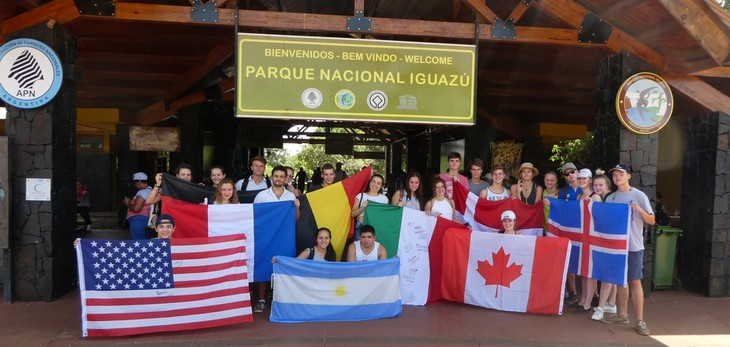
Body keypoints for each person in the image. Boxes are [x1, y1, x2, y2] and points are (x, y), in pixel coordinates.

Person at [601, 164, 654, 337]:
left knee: (635, 281)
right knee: (620, 281)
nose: (617, 177)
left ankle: (640, 320)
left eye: (620, 174)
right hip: (616, 246)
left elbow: (652, 220)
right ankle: (622, 315)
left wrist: (638, 209)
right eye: (615, 174)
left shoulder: (639, 195)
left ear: (628, 176)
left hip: (634, 246)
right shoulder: (611, 198)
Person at [252, 165, 301, 314]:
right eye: (276, 176)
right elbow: (254, 216)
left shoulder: (290, 196)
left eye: (281, 176)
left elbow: (296, 219)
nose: (278, 179)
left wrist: (297, 207)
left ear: (285, 178)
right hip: (265, 236)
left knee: (284, 265)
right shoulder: (262, 195)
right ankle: (261, 299)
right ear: (272, 177)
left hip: (284, 237)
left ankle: (280, 299)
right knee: (263, 264)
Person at [573, 168, 602, 315]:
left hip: (592, 238)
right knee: (583, 270)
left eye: (584, 179)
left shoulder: (595, 197)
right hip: (582, 237)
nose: (582, 181)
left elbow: (599, 218)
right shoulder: (579, 197)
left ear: (590, 180)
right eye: (580, 179)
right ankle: (582, 299)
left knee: (590, 270)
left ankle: (587, 302)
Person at [591, 169, 618, 321]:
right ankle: (612, 303)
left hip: (610, 238)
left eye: (601, 185)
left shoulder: (607, 198)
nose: (598, 187)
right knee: (611, 273)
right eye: (595, 185)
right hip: (609, 237)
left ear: (607, 185)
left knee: (608, 273)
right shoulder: (604, 197)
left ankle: (601, 307)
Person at [124, 172, 153, 240]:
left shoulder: (143, 192)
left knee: (138, 244)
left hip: (138, 220)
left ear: (139, 181)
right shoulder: (151, 191)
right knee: (145, 244)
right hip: (145, 219)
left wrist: (128, 203)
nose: (135, 185)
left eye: (135, 183)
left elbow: (137, 208)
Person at [542, 170, 560, 234]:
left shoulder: (562, 193)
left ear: (556, 181)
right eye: (547, 180)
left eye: (552, 180)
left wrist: (552, 204)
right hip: (544, 229)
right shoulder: (541, 192)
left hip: (557, 229)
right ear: (544, 180)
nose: (549, 182)